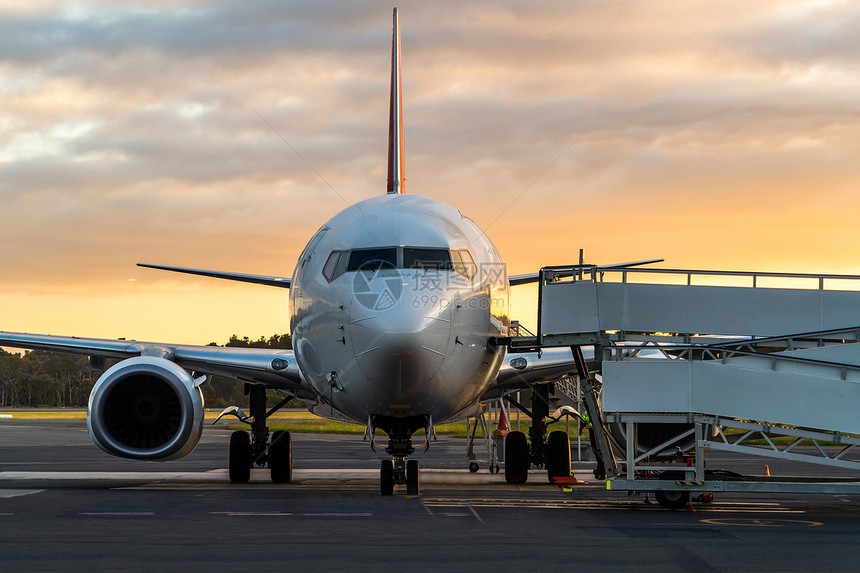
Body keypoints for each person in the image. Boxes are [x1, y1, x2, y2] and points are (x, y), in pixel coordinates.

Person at [581, 409, 606, 480]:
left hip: (593, 431)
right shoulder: (602, 407)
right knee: (601, 452)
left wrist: (581, 427)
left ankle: (601, 472)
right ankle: (598, 472)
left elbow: (586, 419)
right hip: (602, 431)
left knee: (596, 451)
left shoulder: (590, 408)